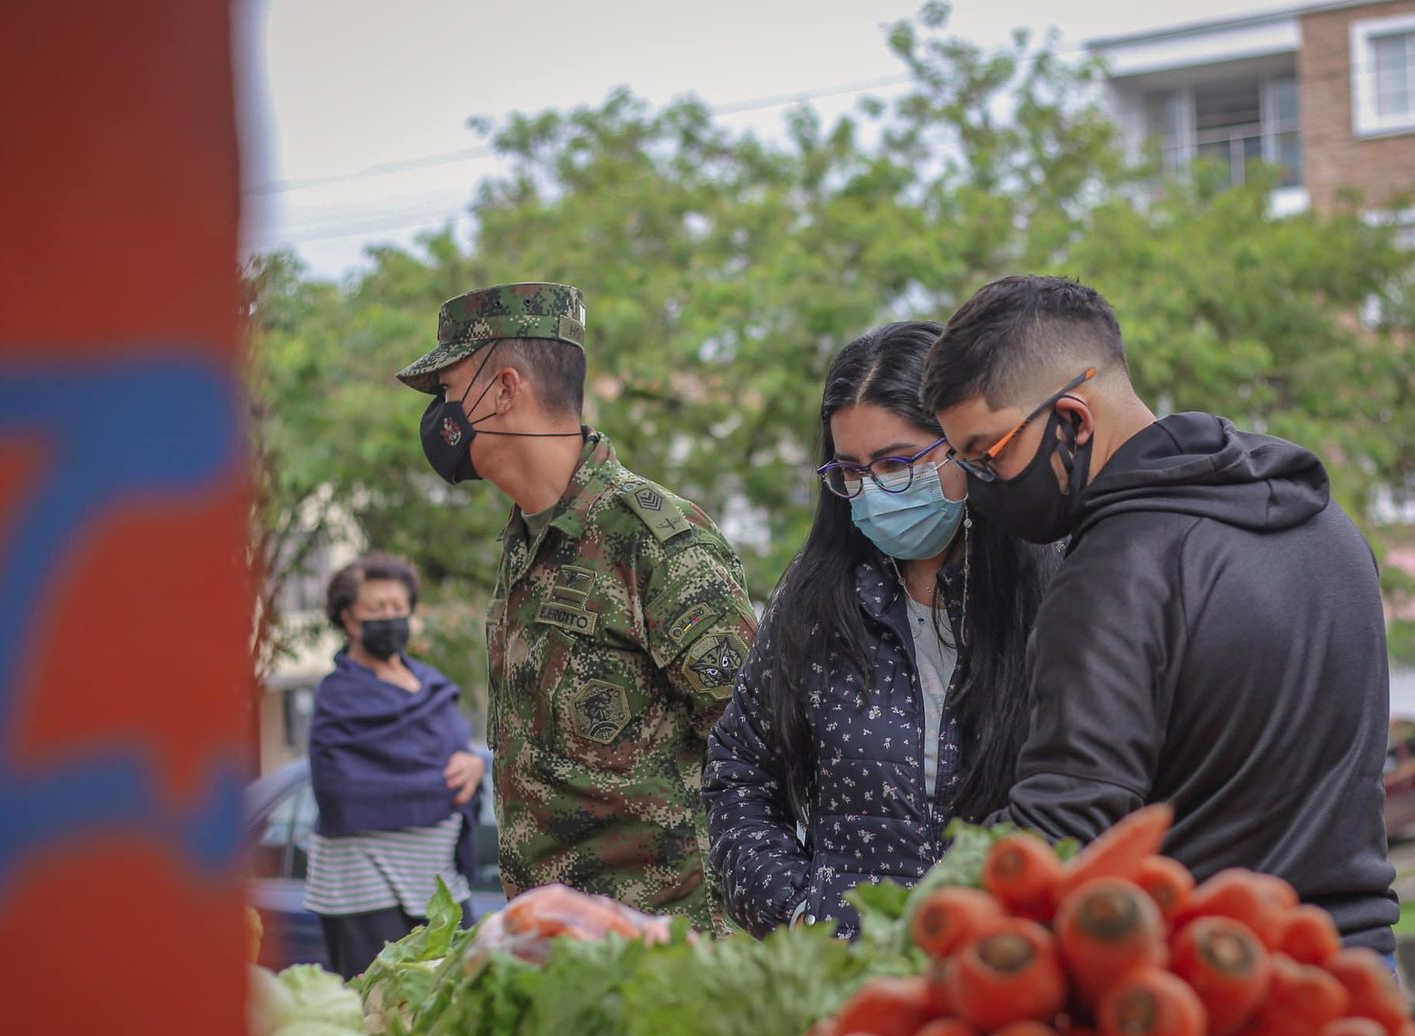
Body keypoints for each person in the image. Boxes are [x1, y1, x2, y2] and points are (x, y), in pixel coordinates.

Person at [925, 274, 1398, 953]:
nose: (978, 488)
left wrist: (917, 917)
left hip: (1211, 987)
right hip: (1359, 970)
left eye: (987, 456)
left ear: (1072, 422)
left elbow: (1063, 821)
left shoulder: (1114, 570)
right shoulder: (1328, 525)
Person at [396, 281, 757, 931]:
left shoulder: (655, 542)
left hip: (661, 955)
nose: (439, 418)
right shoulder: (525, 541)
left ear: (505, 390)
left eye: (448, 393)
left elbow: (760, 748)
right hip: (554, 946)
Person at [703, 322, 1059, 937]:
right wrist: (793, 911)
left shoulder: (1058, 585)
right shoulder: (815, 599)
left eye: (897, 463)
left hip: (1007, 965)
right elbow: (739, 768)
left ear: (966, 446)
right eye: (850, 471)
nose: (873, 491)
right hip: (841, 970)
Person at [305, 552, 486, 980]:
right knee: (383, 1012)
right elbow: (340, 790)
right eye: (377, 609)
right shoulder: (339, 696)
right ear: (349, 619)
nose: (390, 617)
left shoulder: (433, 686)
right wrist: (443, 787)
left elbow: (460, 754)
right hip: (363, 887)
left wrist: (474, 765)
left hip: (439, 882)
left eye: (398, 608)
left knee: (454, 1004)